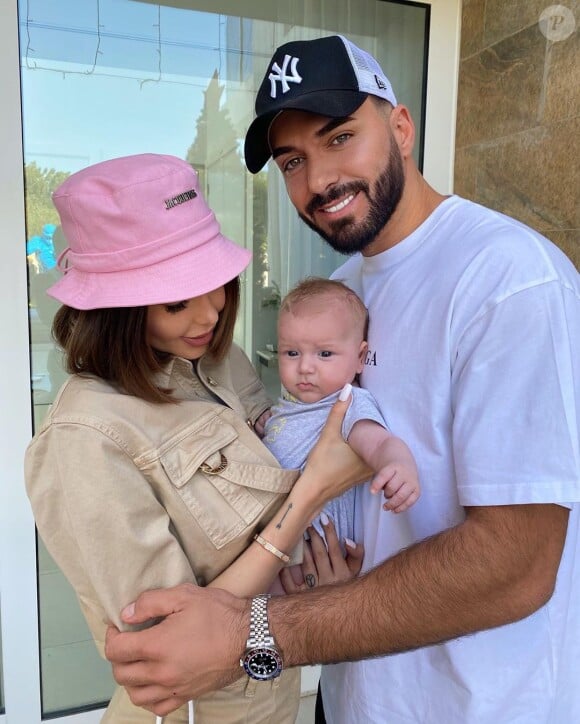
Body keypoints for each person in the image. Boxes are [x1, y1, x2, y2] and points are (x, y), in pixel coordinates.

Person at [104, 36, 580, 724]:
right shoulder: (341, 288)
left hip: (481, 704)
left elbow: (516, 566)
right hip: (354, 691)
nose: (318, 180)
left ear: (402, 127)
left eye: (339, 138)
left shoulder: (509, 280)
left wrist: (253, 635)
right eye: (293, 161)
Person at [24, 153, 369, 724]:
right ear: (116, 311)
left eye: (215, 283)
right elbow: (173, 645)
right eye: (177, 299)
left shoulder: (217, 360)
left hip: (276, 680)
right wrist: (312, 494)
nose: (210, 312)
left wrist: (316, 580)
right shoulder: (83, 440)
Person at [264, 277, 419, 564]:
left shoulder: (348, 402)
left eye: (325, 354)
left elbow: (379, 442)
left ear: (360, 357)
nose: (305, 367)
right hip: (277, 541)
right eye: (291, 353)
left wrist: (398, 465)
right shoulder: (289, 405)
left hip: (314, 549)